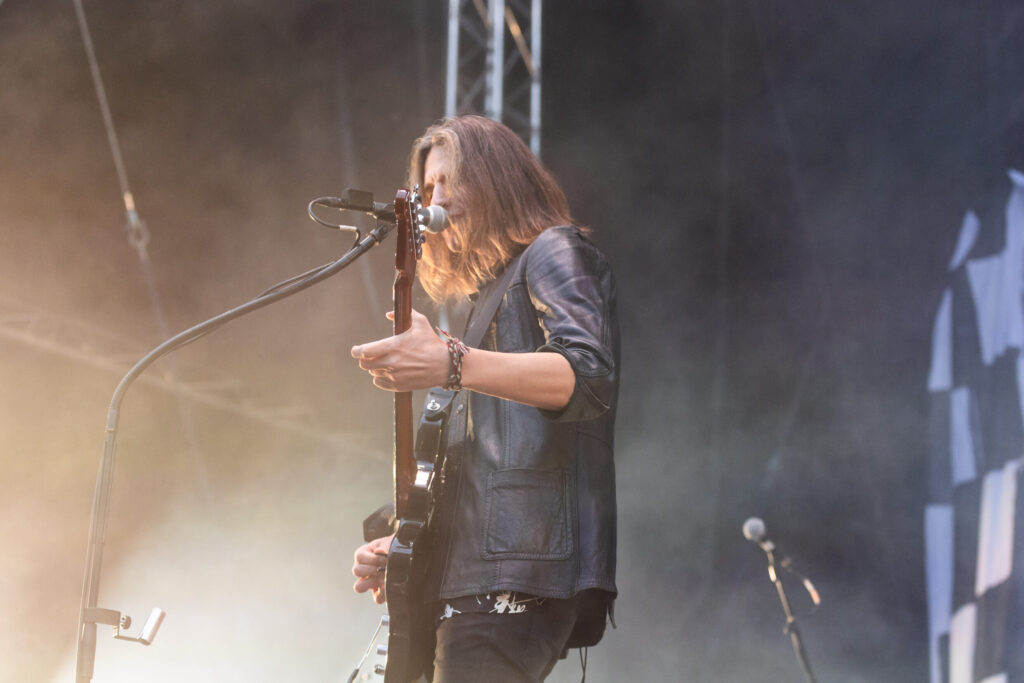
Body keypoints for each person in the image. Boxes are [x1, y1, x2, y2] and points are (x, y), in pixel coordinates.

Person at [349, 115, 619, 682]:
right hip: (474, 576)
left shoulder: (553, 252)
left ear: (497, 178)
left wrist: (452, 362)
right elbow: (471, 466)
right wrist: (405, 540)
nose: (436, 200)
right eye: (426, 190)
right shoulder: (486, 299)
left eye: (452, 180)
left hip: (515, 573)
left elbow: (587, 375)